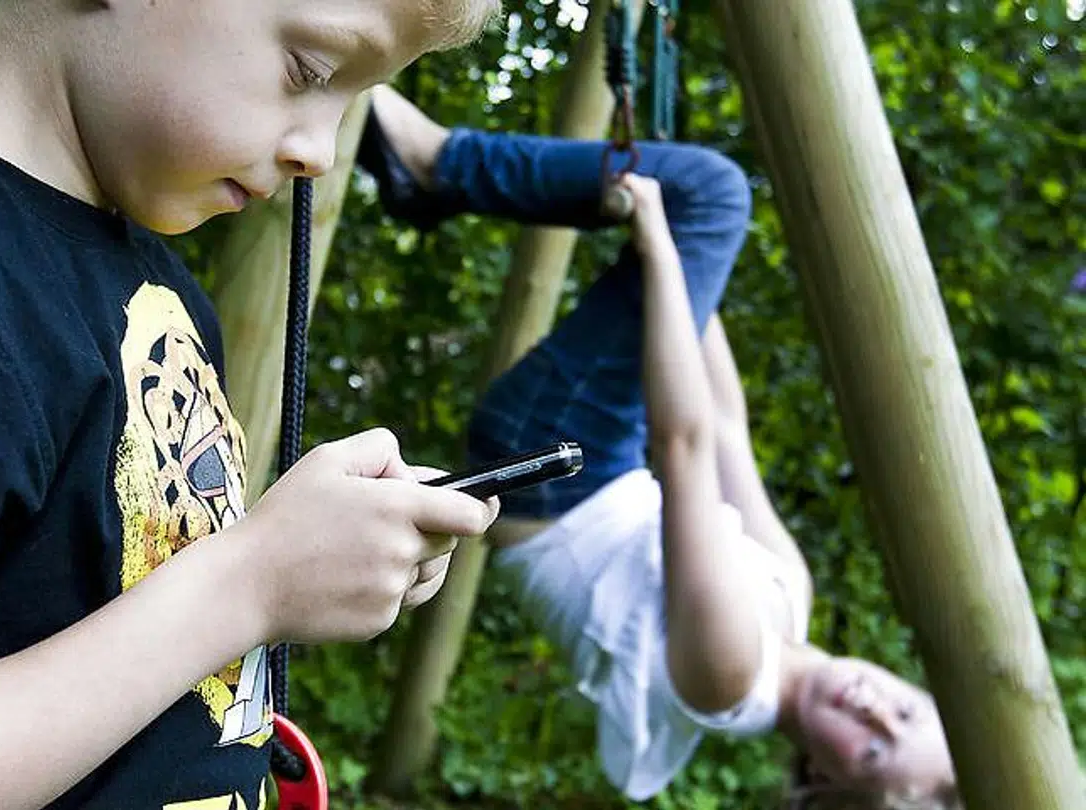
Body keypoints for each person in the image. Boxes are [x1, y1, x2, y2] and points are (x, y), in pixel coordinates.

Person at [0, 4, 508, 810]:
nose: (320, 153)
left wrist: (319, 553)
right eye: (310, 70)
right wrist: (250, 583)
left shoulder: (166, 297)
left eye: (353, 102)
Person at [356, 85, 960, 809]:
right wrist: (686, 276)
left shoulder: (730, 675)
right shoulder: (790, 602)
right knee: (702, 205)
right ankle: (426, 175)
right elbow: (727, 427)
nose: (872, 709)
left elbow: (686, 448)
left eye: (873, 749)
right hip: (597, 456)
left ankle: (431, 166)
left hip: (552, 462)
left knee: (712, 193)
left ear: (826, 782)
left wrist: (667, 249)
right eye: (906, 713)